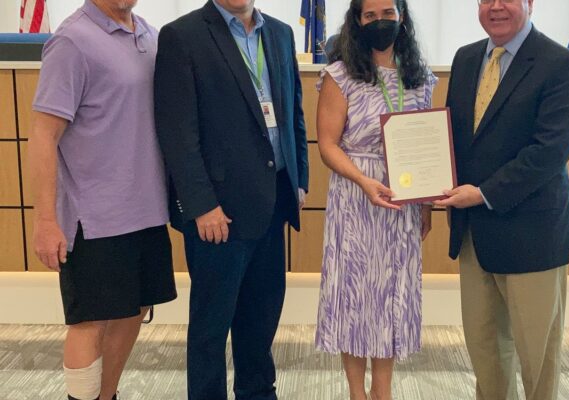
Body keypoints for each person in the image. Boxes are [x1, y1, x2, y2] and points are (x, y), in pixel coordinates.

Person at [153, 0, 309, 398]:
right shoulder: (182, 36)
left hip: (272, 204)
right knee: (211, 329)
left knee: (260, 321)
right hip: (217, 215)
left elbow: (293, 111)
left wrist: (299, 179)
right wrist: (202, 205)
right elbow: (177, 132)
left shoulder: (279, 32)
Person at [435, 1, 569, 399]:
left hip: (532, 236)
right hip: (474, 236)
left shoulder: (561, 64)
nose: (496, 6)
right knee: (486, 354)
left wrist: (483, 194)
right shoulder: (466, 59)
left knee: (538, 361)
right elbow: (453, 136)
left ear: (530, 4)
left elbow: (549, 152)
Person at [28, 1, 177, 399]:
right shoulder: (72, 41)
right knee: (89, 321)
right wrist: (45, 221)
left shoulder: (148, 34)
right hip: (92, 214)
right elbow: (43, 136)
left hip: (146, 208)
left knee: (135, 309)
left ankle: (105, 395)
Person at [314, 0, 436, 399]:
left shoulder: (419, 77)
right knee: (354, 297)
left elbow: (427, 147)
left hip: (404, 204)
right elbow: (328, 146)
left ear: (402, 17)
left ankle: (383, 389)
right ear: (357, 21)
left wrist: (428, 203)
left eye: (388, 14)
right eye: (370, 15)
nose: (380, 22)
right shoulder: (341, 75)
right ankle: (356, 391)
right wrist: (364, 181)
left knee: (391, 298)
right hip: (357, 198)